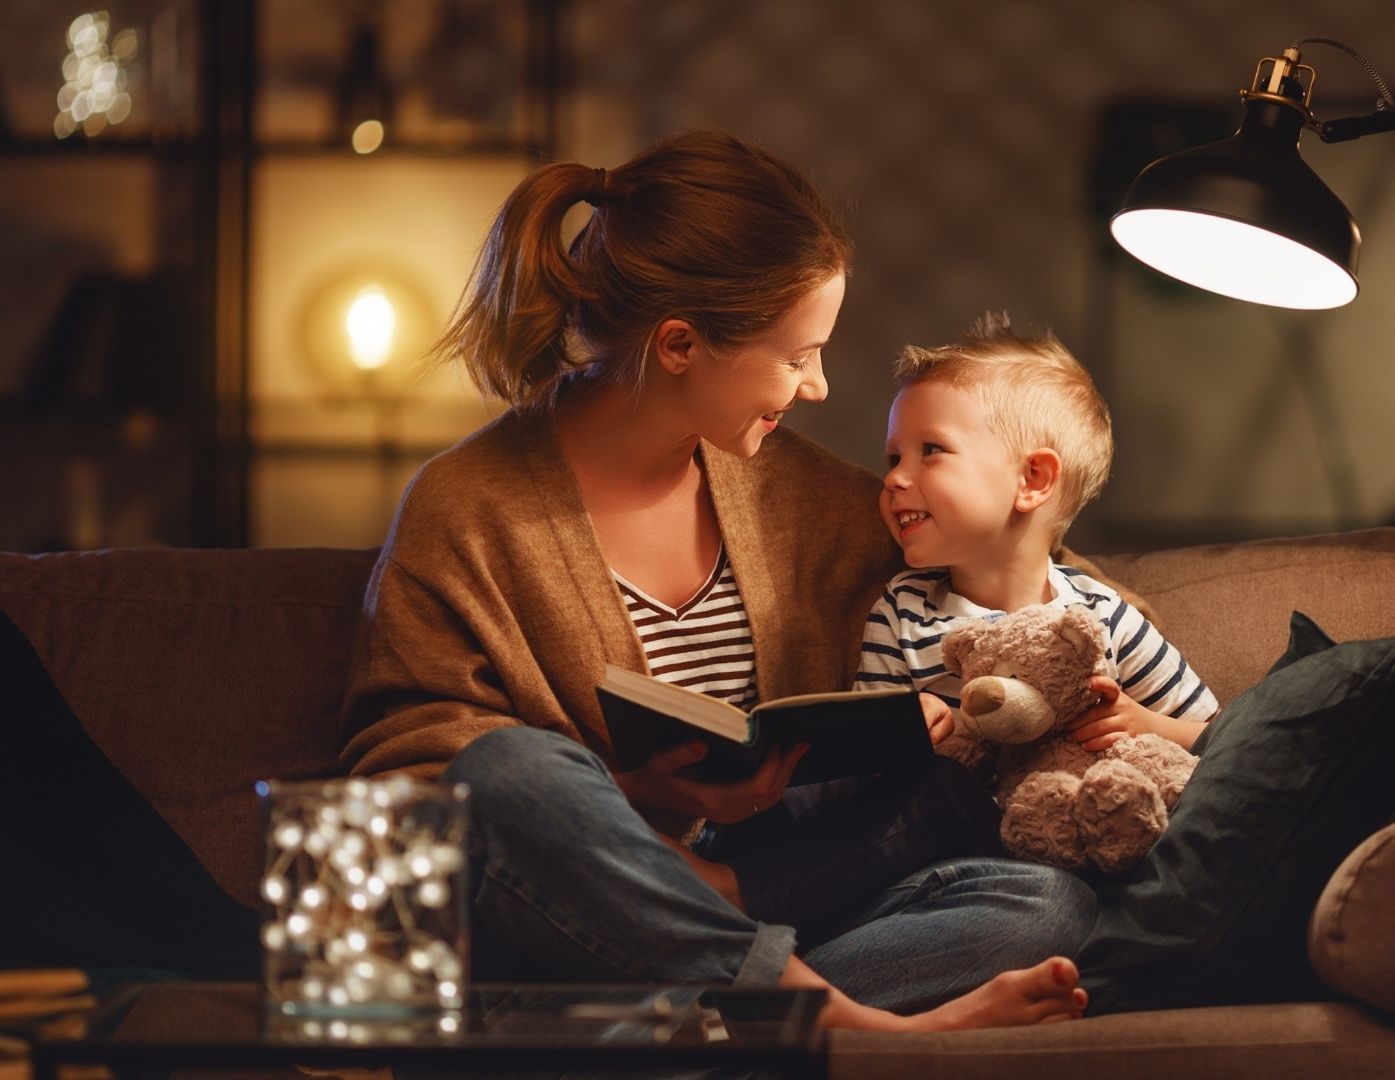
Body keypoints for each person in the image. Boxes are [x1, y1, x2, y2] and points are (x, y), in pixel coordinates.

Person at [338, 130, 1094, 1031]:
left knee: (1046, 906)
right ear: (680, 344)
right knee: (505, 773)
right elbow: (412, 780)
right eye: (795, 354)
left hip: (779, 895)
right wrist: (638, 796)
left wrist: (1103, 684)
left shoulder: (807, 495)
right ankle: (843, 1028)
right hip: (583, 919)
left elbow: (1027, 573)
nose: (815, 387)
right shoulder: (467, 507)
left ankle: (692, 1022)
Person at [854, 315, 1219, 753]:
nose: (893, 479)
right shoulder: (902, 613)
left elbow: (1223, 737)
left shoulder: (1102, 618)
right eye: (894, 458)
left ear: (1033, 480)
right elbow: (859, 758)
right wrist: (908, 727)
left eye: (930, 450)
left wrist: (1148, 725)